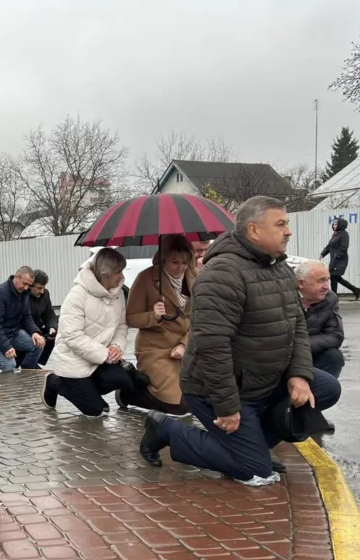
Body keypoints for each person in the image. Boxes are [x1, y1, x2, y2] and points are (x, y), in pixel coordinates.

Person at [139, 197, 342, 486]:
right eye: (280, 224)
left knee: (325, 387)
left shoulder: (280, 269)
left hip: (264, 380)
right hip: (223, 389)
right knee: (255, 471)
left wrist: (299, 375)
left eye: (287, 224)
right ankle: (167, 430)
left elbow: (297, 326)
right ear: (254, 230)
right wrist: (226, 407)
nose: (288, 231)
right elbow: (212, 346)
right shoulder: (222, 274)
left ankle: (249, 447)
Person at [42, 249, 139, 417]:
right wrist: (105, 354)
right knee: (95, 411)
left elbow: (121, 325)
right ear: (105, 272)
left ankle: (88, 393)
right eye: (118, 272)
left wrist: (116, 347)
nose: (122, 276)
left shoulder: (118, 294)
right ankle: (55, 382)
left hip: (99, 359)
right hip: (73, 360)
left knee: (125, 380)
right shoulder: (77, 295)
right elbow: (72, 336)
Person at [124, 234, 198, 414]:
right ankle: (129, 395)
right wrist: (154, 316)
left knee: (198, 400)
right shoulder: (145, 278)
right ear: (163, 259)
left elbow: (201, 318)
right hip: (156, 349)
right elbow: (131, 317)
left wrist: (184, 344)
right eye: (175, 262)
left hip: (186, 348)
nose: (181, 268)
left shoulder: (195, 277)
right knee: (178, 406)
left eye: (185, 262)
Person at [297, 259, 344, 433]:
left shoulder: (329, 299)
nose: (326, 286)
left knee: (333, 356)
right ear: (301, 284)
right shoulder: (284, 299)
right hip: (283, 356)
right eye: (320, 281)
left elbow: (335, 336)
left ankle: (309, 409)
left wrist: (301, 347)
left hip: (307, 351)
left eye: (327, 280)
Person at [0, 267, 45, 372]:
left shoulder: (24, 293)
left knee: (39, 344)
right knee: (10, 365)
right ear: (16, 277)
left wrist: (35, 332)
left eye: (29, 285)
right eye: (24, 284)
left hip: (13, 333)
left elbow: (27, 317)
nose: (26, 288)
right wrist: (6, 347)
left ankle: (28, 372)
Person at [321, 217, 360, 300]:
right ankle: (355, 290)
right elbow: (329, 246)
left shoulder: (344, 234)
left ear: (340, 225)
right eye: (333, 224)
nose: (334, 225)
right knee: (336, 277)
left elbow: (344, 248)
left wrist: (337, 256)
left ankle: (334, 296)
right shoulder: (335, 234)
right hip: (334, 259)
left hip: (340, 260)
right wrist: (322, 254)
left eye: (336, 224)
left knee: (334, 276)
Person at [28, 270, 58, 366]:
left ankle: (37, 362)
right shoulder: (23, 296)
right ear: (30, 285)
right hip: (25, 328)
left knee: (52, 335)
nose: (42, 291)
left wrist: (52, 327)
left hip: (37, 327)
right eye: (39, 288)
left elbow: (49, 314)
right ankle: (29, 364)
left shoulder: (45, 294)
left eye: (44, 287)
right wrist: (34, 332)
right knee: (36, 340)